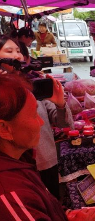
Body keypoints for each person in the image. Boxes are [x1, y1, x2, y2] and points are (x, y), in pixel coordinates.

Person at [0, 73, 95, 221]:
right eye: (32, 115)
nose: (41, 121)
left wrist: (63, 218)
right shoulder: (8, 194)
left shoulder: (20, 162)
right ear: (4, 129)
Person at [0, 36, 74, 199]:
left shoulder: (33, 84)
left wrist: (60, 104)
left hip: (45, 160)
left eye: (18, 51)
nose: (17, 56)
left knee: (52, 204)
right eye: (9, 51)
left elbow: (64, 123)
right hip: (15, 167)